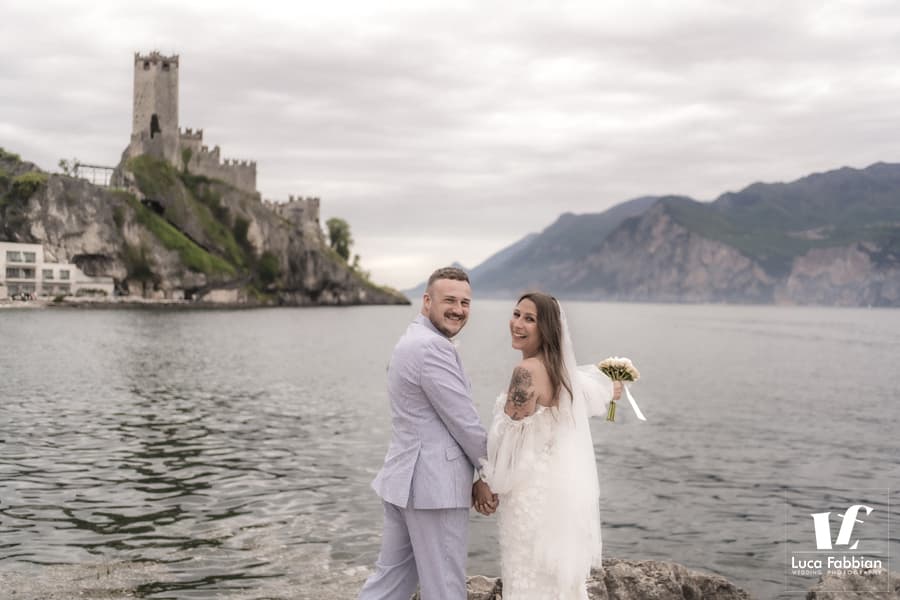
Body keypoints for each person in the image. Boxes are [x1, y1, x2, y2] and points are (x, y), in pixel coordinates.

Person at [358, 266, 498, 600]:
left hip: (406, 482)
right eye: (449, 300)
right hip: (434, 487)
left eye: (465, 302)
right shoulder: (432, 348)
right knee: (445, 588)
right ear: (426, 302)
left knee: (389, 585)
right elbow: (464, 422)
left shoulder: (412, 340)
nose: (458, 309)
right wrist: (491, 472)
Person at [478, 292, 622, 600]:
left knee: (527, 575)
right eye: (516, 314)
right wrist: (613, 387)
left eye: (529, 319)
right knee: (555, 582)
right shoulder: (564, 374)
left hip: (528, 497)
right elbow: (601, 395)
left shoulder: (527, 372)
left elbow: (508, 443)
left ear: (547, 329)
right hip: (558, 494)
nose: (517, 324)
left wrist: (490, 483)